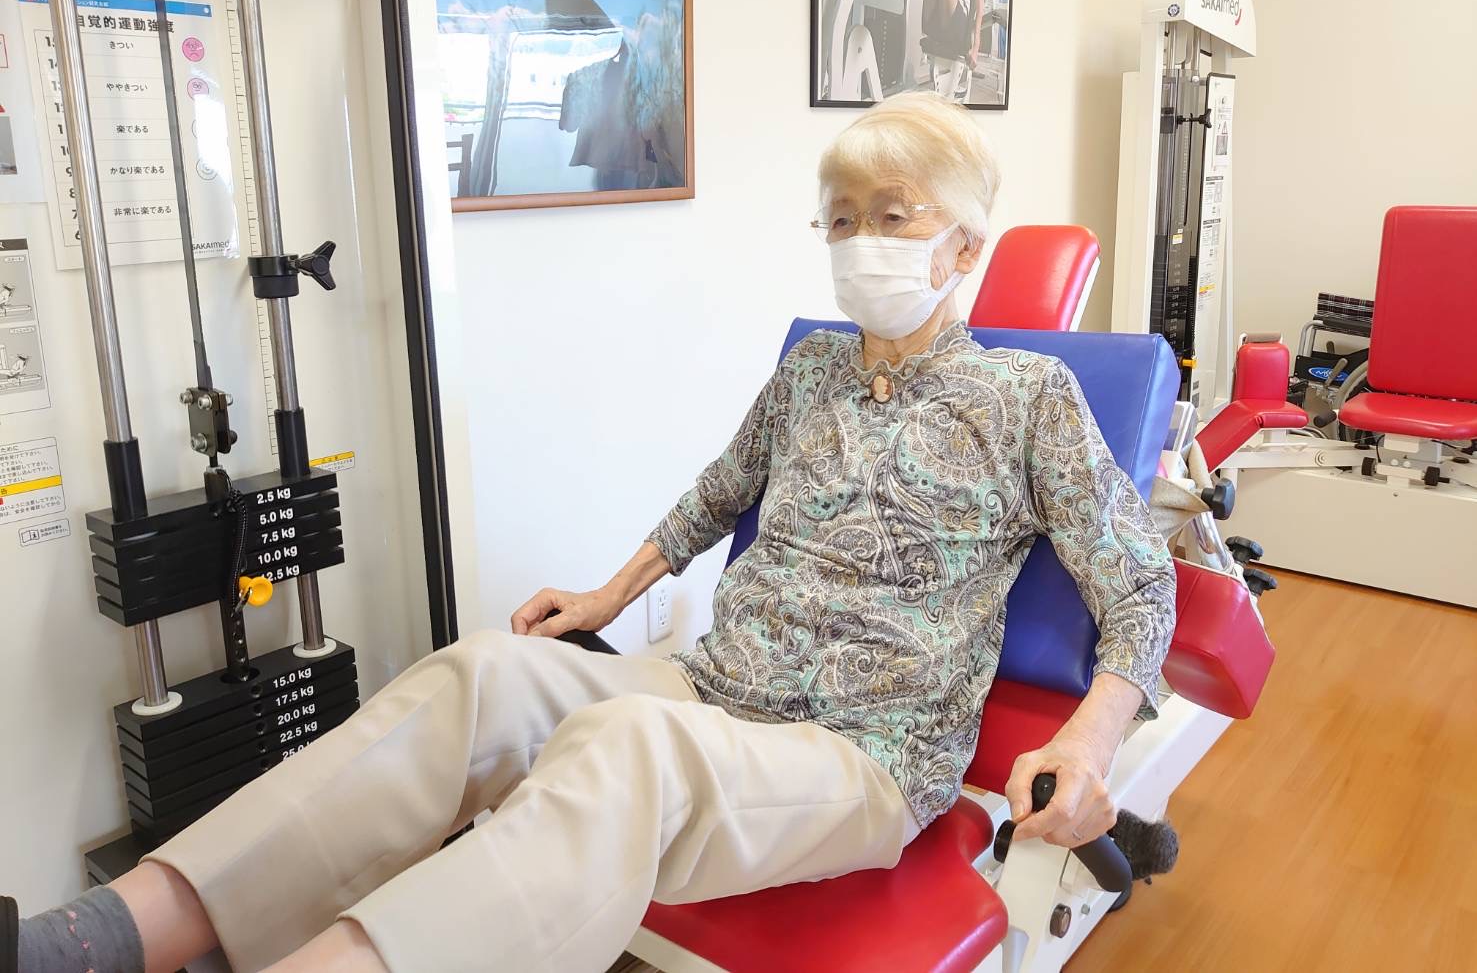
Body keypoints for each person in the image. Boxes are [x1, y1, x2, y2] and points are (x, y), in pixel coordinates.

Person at [3, 93, 1175, 973]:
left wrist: (1088, 741)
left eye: (892, 216)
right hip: (708, 688)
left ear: (964, 244)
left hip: (862, 753)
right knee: (484, 674)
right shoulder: (812, 369)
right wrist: (610, 597)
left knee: (624, 749)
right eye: (841, 219)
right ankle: (110, 935)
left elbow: (1139, 586)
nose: (860, 238)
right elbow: (716, 494)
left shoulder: (1028, 398)